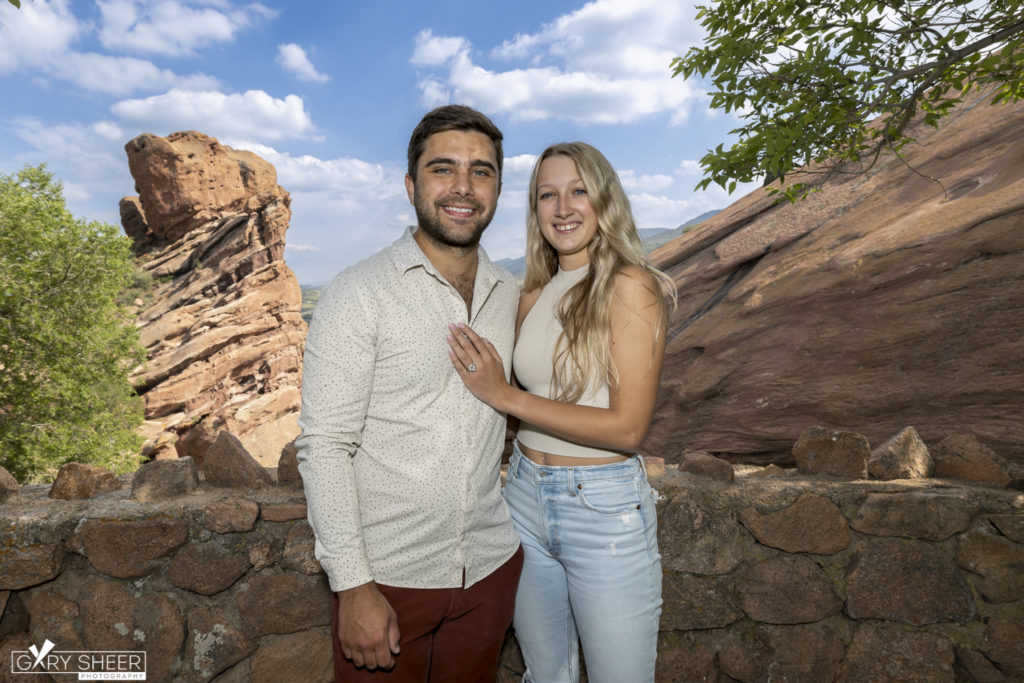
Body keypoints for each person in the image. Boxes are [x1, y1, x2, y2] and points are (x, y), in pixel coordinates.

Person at [296, 104, 524, 683]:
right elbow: (324, 446)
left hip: (490, 571)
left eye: (482, 171)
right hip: (390, 582)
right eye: (442, 169)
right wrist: (352, 586)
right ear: (410, 184)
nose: (463, 188)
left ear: (499, 186)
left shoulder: (509, 295)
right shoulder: (359, 293)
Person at [446, 141, 675, 683]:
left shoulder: (631, 286)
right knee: (546, 676)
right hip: (522, 497)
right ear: (535, 210)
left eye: (579, 191)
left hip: (602, 510)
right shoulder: (533, 296)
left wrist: (504, 395)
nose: (563, 207)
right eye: (548, 195)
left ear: (604, 200)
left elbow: (628, 428)